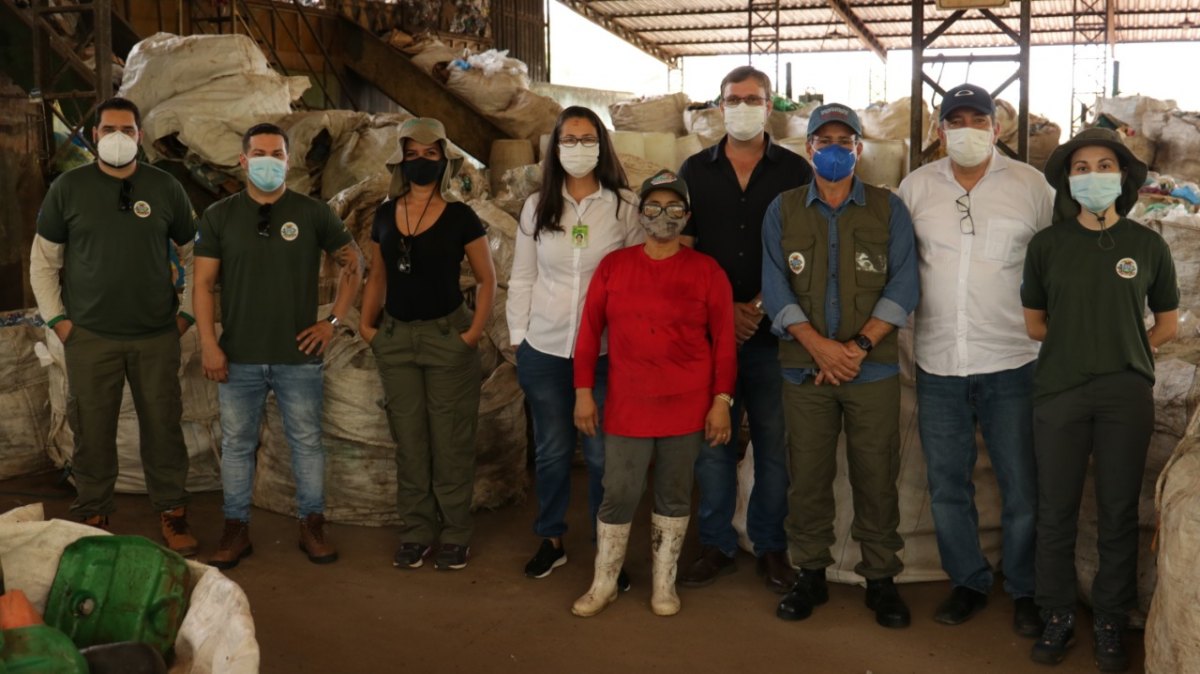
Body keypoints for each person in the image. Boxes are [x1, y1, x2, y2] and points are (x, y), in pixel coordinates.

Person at [897, 83, 1052, 635]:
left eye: (977, 119)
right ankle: (967, 580)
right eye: (954, 120)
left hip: (1013, 358)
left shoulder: (1033, 187)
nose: (966, 129)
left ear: (997, 127)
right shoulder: (916, 187)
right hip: (938, 360)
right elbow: (899, 266)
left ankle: (1025, 588)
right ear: (939, 130)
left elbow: (1055, 264)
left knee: (1021, 483)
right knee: (947, 484)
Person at [1022, 127, 1178, 670]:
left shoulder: (1148, 245)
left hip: (1125, 394)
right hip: (1059, 390)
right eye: (1081, 168)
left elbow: (1169, 323)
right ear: (1068, 180)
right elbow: (1035, 324)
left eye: (1104, 165)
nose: (1093, 176)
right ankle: (1058, 613)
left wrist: (1126, 349)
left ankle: (1111, 616)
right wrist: (1079, 345)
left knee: (1117, 509)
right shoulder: (1048, 245)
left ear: (1124, 175)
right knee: (1056, 509)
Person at [762, 104, 919, 628]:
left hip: (868, 371)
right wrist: (819, 348)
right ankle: (810, 573)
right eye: (823, 139)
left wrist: (854, 347)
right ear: (807, 148)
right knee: (807, 476)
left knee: (876, 475)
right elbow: (776, 285)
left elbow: (903, 284)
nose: (833, 148)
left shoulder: (887, 208)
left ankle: (881, 578)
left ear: (858, 148)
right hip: (803, 371)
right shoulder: (782, 210)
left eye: (844, 140)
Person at [29, 96, 199, 556]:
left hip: (155, 336)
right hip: (90, 337)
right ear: (95, 135)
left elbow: (194, 256)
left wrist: (185, 315)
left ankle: (172, 511)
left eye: (127, 130)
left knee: (163, 426)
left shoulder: (166, 189)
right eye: (109, 129)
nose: (118, 137)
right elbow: (43, 263)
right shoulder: (69, 188)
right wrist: (61, 323)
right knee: (91, 427)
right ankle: (93, 510)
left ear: (140, 137)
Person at [195, 122, 361, 569]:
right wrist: (209, 344)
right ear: (243, 160)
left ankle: (312, 525)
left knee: (306, 443)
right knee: (236, 445)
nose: (268, 161)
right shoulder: (219, 216)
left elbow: (354, 263)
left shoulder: (312, 213)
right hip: (238, 356)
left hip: (298, 357)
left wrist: (332, 321)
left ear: (288, 161)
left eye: (277, 153)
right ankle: (235, 529)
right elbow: (204, 284)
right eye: (259, 153)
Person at [571, 170, 736, 618]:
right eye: (654, 207)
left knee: (675, 494)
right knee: (618, 491)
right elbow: (588, 335)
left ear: (687, 215)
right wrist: (583, 392)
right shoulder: (614, 266)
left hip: (687, 404)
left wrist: (722, 401)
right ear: (640, 213)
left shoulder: (706, 271)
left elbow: (724, 342)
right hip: (628, 404)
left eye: (674, 208)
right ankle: (603, 581)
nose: (663, 216)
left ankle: (664, 584)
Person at [677, 65, 813, 593]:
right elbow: (682, 252)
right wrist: (721, 309)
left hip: (773, 332)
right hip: (711, 336)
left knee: (774, 444)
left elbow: (803, 249)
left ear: (770, 105)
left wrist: (757, 303)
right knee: (713, 444)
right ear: (720, 105)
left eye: (753, 98)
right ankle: (716, 543)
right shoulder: (694, 170)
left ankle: (771, 545)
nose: (742, 106)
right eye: (733, 99)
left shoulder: (794, 172)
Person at [508, 106, 643, 581]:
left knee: (604, 454)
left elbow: (638, 277)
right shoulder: (537, 205)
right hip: (545, 350)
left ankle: (608, 550)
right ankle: (551, 538)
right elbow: (522, 278)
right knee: (551, 450)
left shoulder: (624, 206)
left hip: (606, 355)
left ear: (601, 146)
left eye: (588, 139)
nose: (579, 148)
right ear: (555, 147)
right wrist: (520, 341)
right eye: (570, 139)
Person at [360, 117, 496, 571]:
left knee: (451, 440)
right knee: (410, 441)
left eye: (430, 155)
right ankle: (417, 530)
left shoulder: (461, 216)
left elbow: (486, 279)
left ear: (444, 162)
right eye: (413, 155)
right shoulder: (384, 214)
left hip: (446, 339)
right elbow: (376, 275)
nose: (421, 163)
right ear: (401, 160)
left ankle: (455, 532)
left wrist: (472, 334)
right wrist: (367, 327)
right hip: (396, 339)